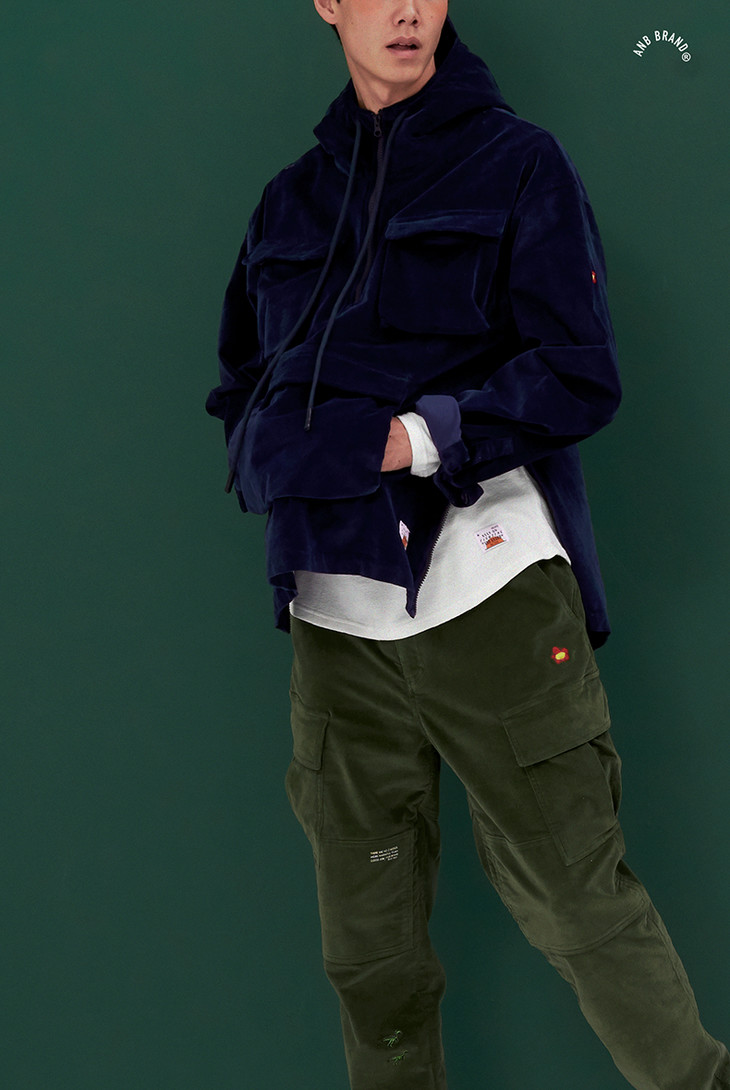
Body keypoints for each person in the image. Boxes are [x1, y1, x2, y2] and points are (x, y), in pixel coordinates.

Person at [206, 2, 730, 1087]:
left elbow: (579, 370)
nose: (408, 10)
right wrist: (267, 456)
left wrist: (415, 437)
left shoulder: (518, 164)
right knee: (371, 959)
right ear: (327, 2)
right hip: (335, 629)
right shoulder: (288, 203)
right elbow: (241, 383)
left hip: (491, 596)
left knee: (580, 910)